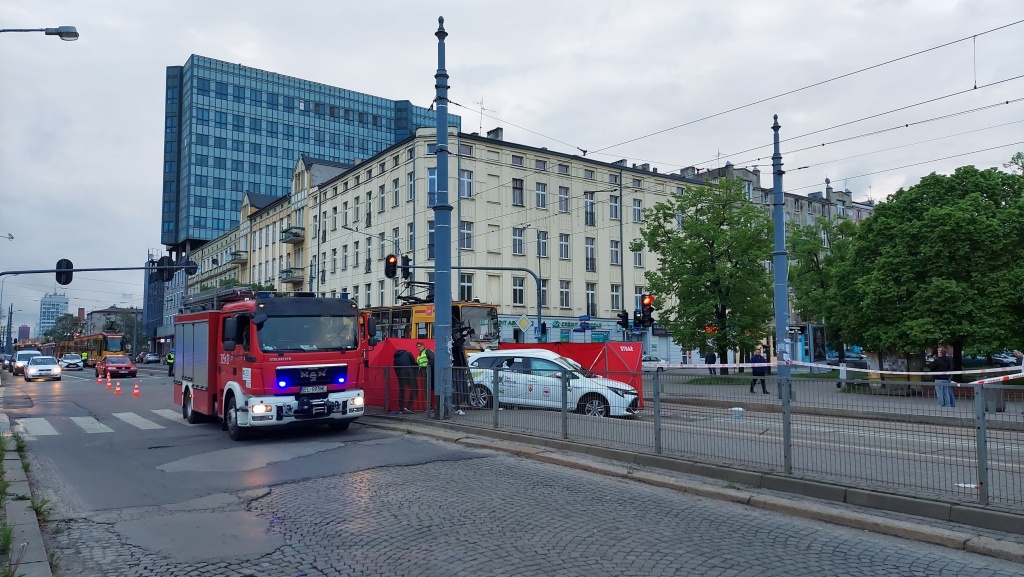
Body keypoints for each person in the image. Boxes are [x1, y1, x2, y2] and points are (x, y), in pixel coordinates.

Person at [393, 348, 418, 414]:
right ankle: (408, 406)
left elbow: (395, 368)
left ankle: (401, 409)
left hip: (400, 374)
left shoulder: (395, 358)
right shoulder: (408, 353)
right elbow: (413, 363)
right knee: (415, 389)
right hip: (409, 373)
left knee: (402, 391)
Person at [415, 342, 435, 412]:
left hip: (429, 372)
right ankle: (430, 406)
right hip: (424, 372)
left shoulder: (427, 351)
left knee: (429, 389)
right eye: (417, 347)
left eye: (419, 346)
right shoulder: (419, 355)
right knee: (426, 389)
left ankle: (432, 406)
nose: (418, 348)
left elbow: (432, 358)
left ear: (423, 346)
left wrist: (428, 367)